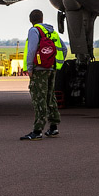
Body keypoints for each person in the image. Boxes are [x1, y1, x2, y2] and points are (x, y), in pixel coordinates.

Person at [20, 9, 65, 140]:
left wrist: (29, 68)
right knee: (50, 97)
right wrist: (57, 64)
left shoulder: (34, 31)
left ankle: (37, 130)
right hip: (51, 68)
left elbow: (32, 49)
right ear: (42, 18)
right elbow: (63, 48)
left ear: (31, 20)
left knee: (39, 97)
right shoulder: (51, 32)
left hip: (39, 70)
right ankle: (53, 127)